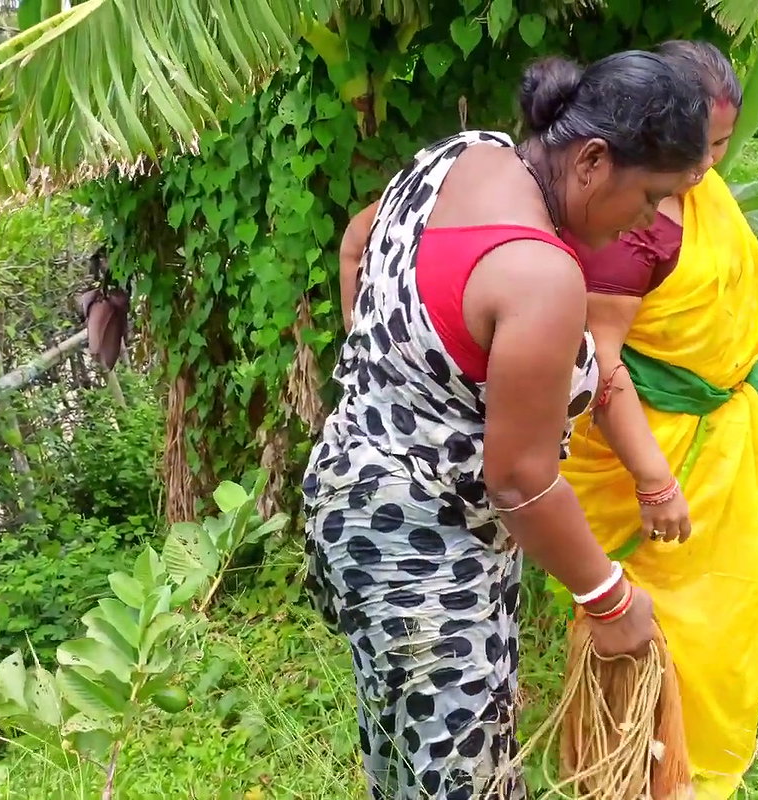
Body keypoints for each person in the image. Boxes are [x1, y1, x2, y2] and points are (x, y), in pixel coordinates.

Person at [302, 50, 710, 799]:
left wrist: (387, 360)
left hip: (354, 505)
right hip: (425, 551)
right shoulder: (539, 274)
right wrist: (610, 599)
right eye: (649, 197)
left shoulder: (464, 154)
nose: (644, 223)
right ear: (593, 161)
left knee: (404, 762)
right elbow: (520, 478)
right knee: (462, 783)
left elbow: (358, 238)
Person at [558, 40, 758, 799]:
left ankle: (692, 762)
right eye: (701, 148)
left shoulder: (697, 192)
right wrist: (654, 480)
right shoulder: (639, 225)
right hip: (651, 451)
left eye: (721, 147)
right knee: (675, 622)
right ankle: (648, 773)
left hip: (718, 438)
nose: (707, 167)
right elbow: (600, 364)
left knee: (727, 611)